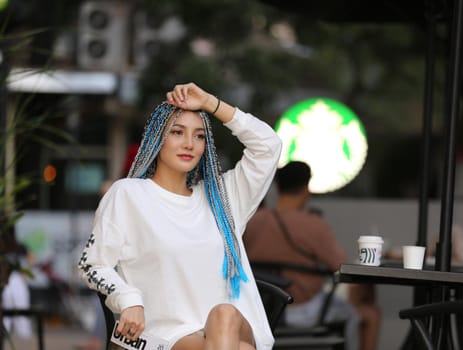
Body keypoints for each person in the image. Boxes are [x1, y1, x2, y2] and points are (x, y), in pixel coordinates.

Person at [77, 82, 282, 350]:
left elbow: (268, 146)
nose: (189, 144)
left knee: (223, 314)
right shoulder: (128, 195)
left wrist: (210, 103)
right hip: (163, 337)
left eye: (199, 136)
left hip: (232, 328)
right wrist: (128, 299)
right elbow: (91, 264)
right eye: (177, 132)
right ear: (156, 139)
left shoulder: (223, 198)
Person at [243, 161, 380, 350]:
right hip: (304, 310)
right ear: (306, 189)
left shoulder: (252, 221)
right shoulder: (314, 225)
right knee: (370, 313)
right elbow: (342, 267)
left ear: (277, 187)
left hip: (262, 311)